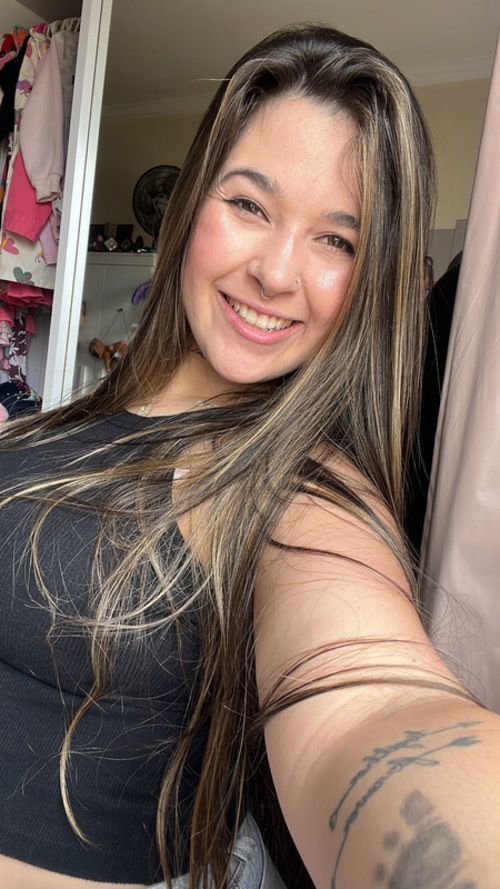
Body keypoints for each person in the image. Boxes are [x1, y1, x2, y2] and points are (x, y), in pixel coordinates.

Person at [0, 22, 498, 889]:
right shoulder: (70, 419)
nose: (275, 271)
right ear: (194, 203)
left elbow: (372, 706)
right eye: (250, 205)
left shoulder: (303, 485)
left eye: (336, 240)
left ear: (371, 280)